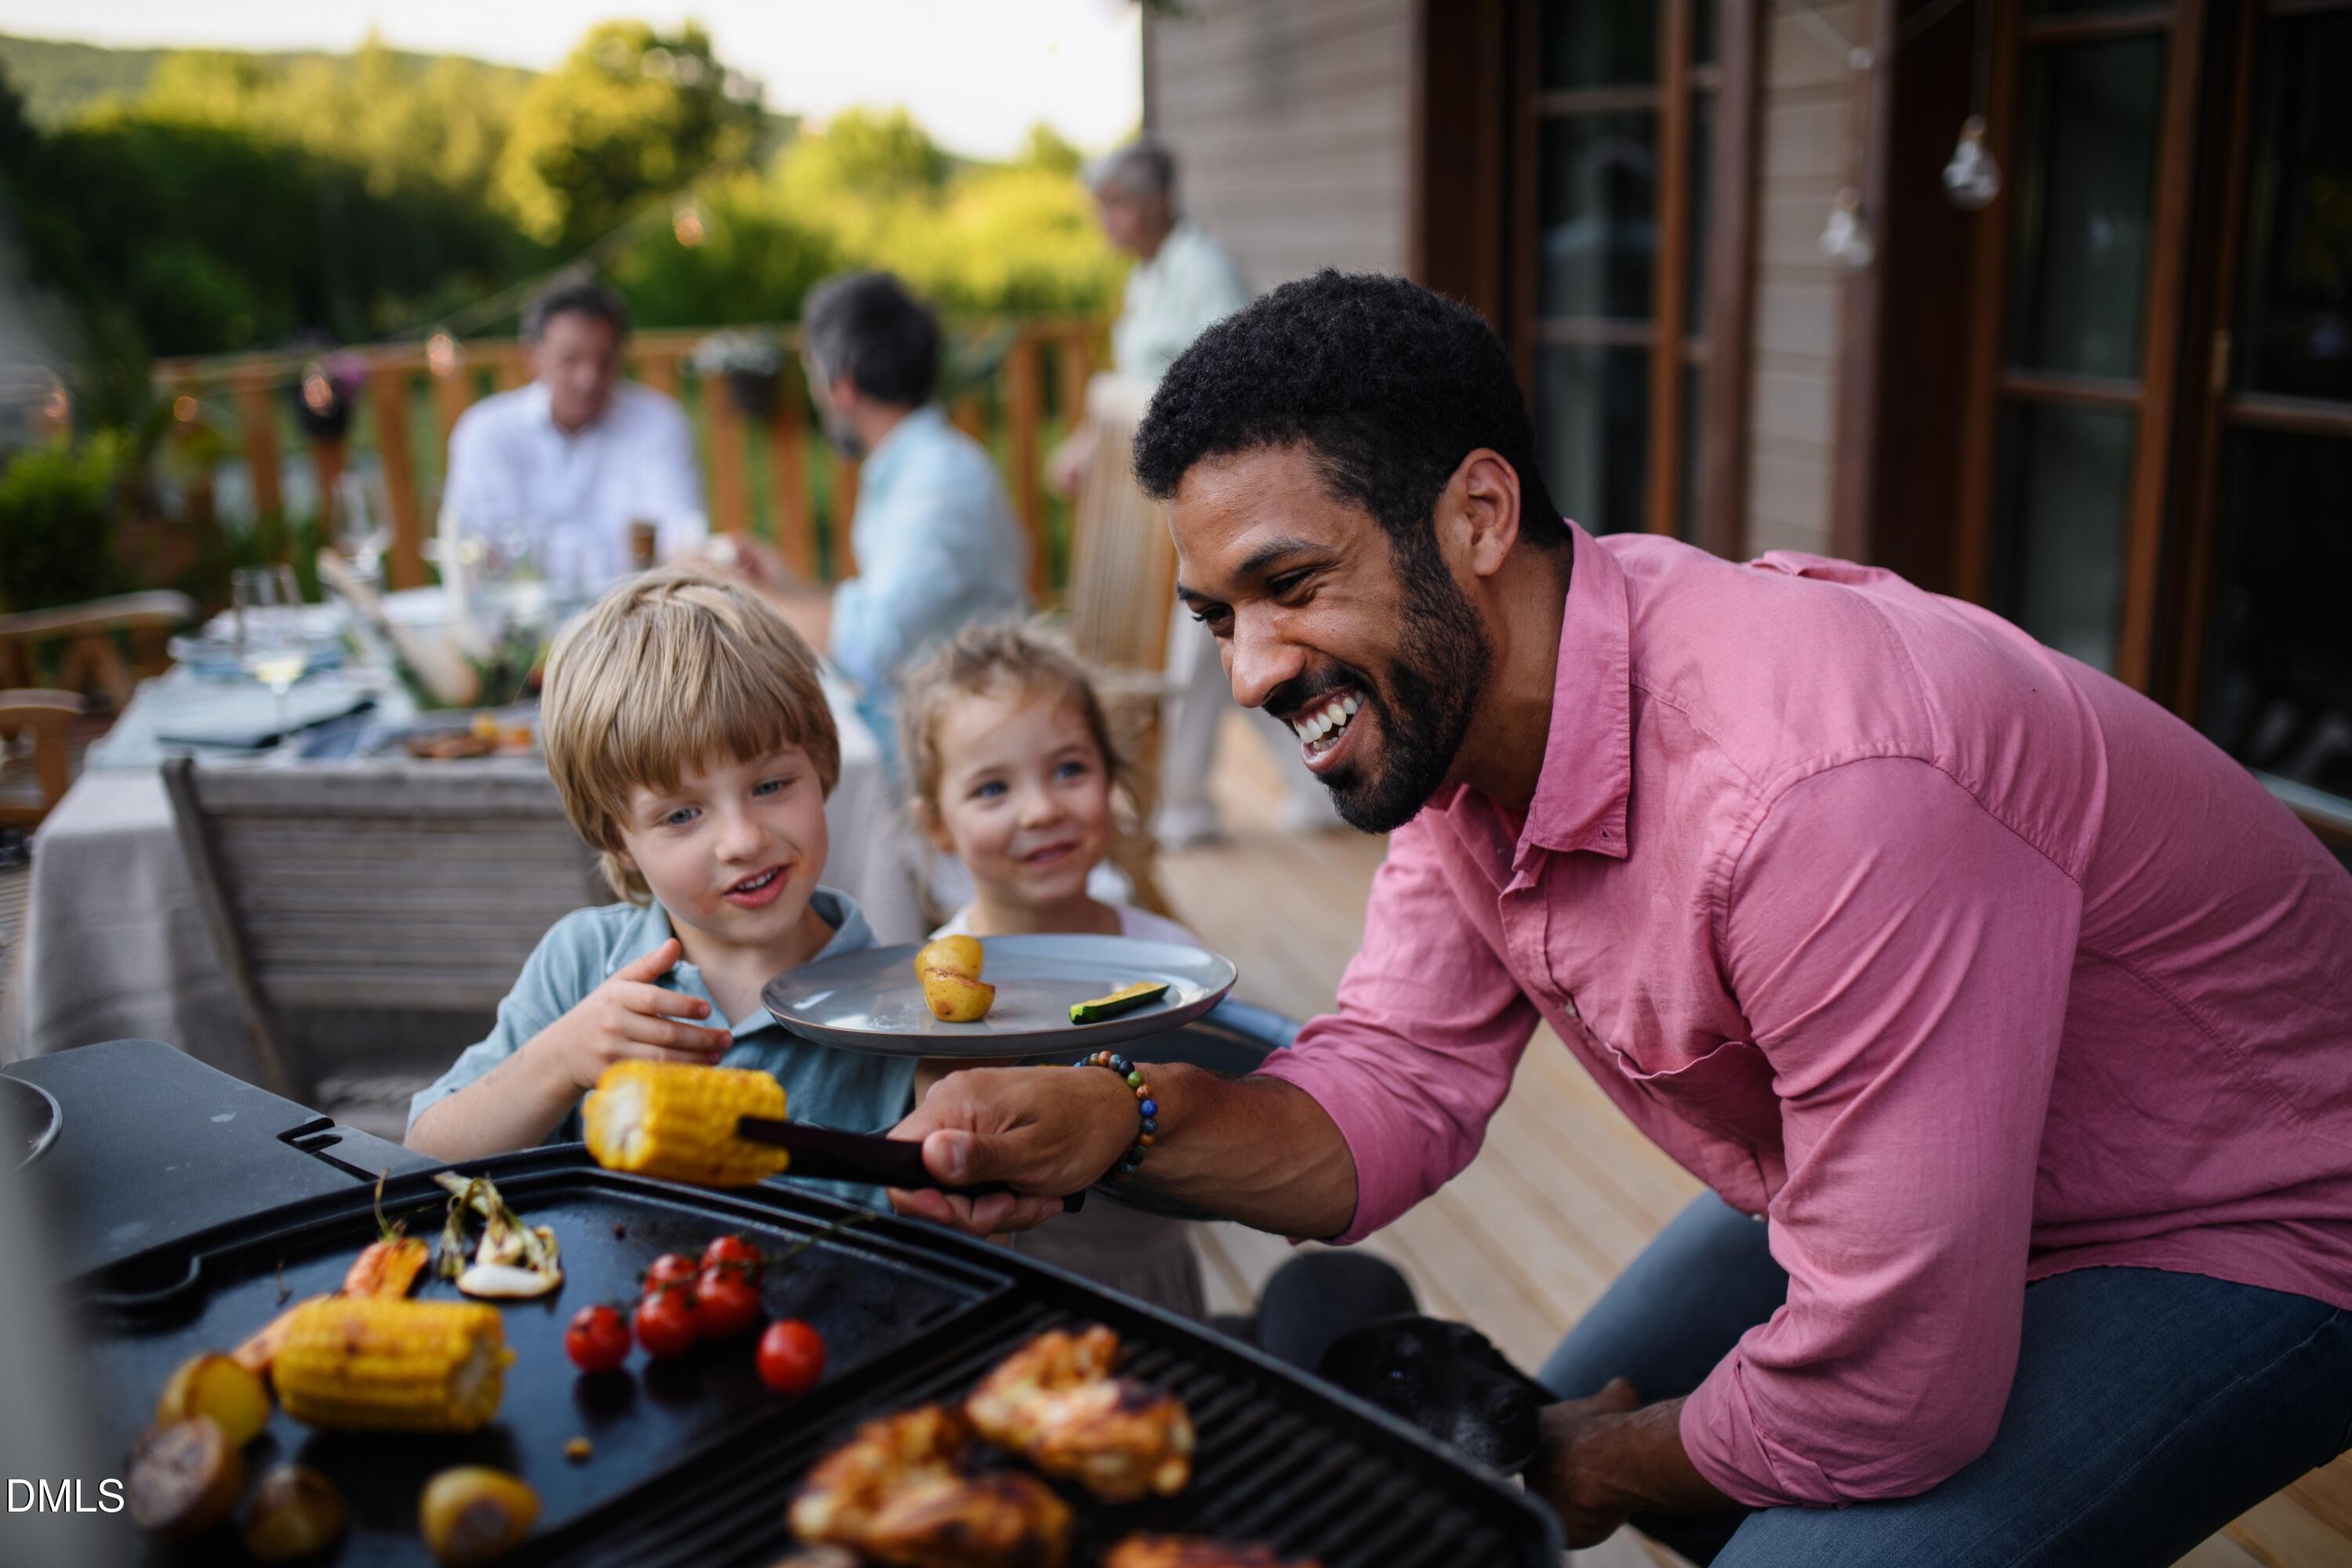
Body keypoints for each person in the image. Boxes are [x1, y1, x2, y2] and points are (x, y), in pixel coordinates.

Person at [887, 272, 2352, 1566]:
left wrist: (1602, 1460)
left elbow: (1894, 1386)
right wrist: (1120, 1122)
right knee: (1545, 1441)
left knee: (1621, 1460)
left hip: (2250, 1206)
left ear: (1475, 514)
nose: (1257, 669)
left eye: (1291, 585)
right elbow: (1391, 1087)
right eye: (1219, 617)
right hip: (1928, 1170)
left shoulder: (1818, 791)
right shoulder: (1460, 729)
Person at [405, 568, 913, 1160]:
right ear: (617, 839)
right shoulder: (583, 964)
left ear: (823, 765)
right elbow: (424, 1154)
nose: (742, 841)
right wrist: (560, 1062)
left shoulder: (900, 1007)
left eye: (771, 785)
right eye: (681, 817)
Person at [894, 620, 1208, 1318]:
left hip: (1154, 1280)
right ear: (936, 825)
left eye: (1069, 770)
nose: (1041, 810)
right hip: (1013, 1295)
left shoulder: (1170, 957)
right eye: (992, 790)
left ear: (1110, 775)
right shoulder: (935, 991)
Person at [1052, 139, 1334, 848]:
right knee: (1221, 658)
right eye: (1102, 206)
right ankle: (1309, 789)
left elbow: (1236, 381)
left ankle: (1178, 806)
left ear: (1160, 202)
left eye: (1117, 203)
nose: (1107, 219)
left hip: (1217, 499)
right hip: (1166, 503)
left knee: (1203, 650)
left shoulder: (1203, 272)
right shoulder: (1148, 279)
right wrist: (1092, 443)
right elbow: (1138, 383)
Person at [720, 270, 1027, 771]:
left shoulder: (939, 480)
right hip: (935, 711)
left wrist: (734, 595)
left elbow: (872, 644)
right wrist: (785, 585)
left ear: (841, 388)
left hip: (964, 741)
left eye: (812, 375)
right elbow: (881, 617)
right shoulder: (912, 464)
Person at [440, 271, 705, 594]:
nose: (589, 378)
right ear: (532, 357)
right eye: (571, 359)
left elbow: (684, 538)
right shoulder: (486, 432)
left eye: (604, 361)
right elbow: (469, 547)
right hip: (519, 628)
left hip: (633, 622)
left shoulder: (659, 424)